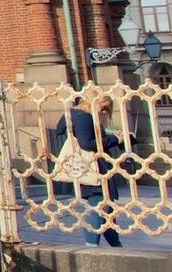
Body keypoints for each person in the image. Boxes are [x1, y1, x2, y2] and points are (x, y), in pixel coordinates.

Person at [49, 97, 124, 247]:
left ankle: (117, 247)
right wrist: (114, 139)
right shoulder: (83, 117)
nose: (104, 112)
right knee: (99, 208)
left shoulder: (78, 115)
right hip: (92, 170)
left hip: (93, 168)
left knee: (107, 212)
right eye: (103, 107)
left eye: (106, 109)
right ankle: (91, 247)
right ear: (92, 100)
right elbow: (87, 144)